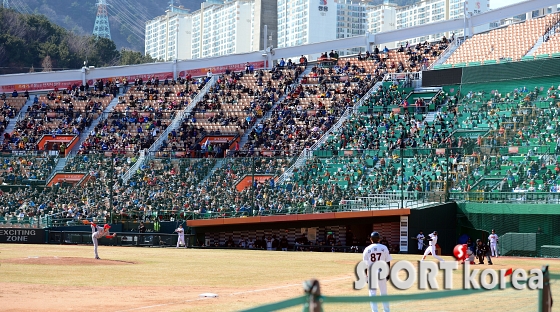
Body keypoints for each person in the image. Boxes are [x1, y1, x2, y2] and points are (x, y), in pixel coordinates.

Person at [363, 231, 392, 312]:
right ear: (379, 239)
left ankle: (375, 311)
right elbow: (388, 261)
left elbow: (365, 264)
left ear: (370, 239)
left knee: (372, 294)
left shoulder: (367, 249)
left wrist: (366, 276)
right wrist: (388, 273)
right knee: (383, 292)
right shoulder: (384, 248)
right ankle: (386, 310)